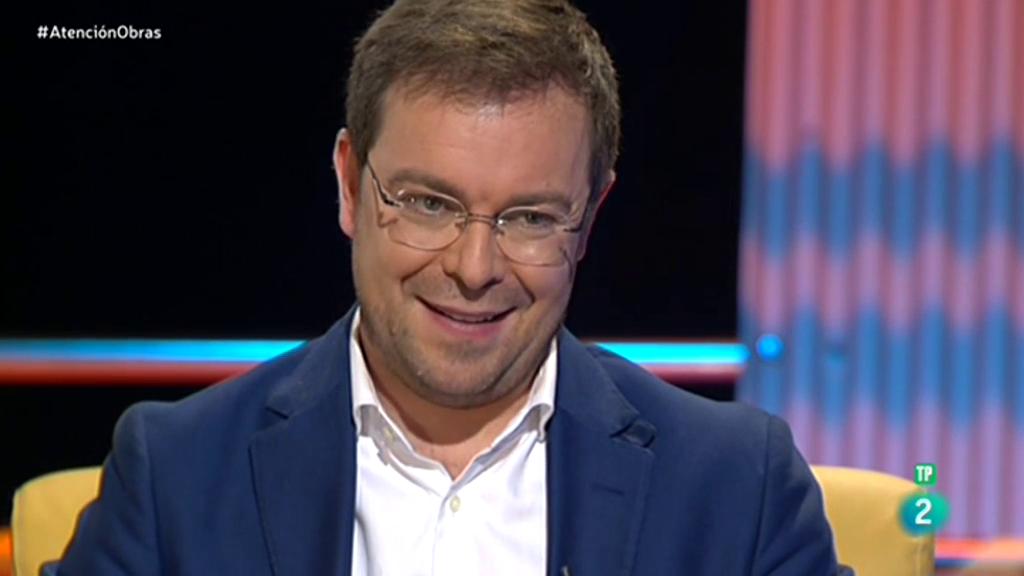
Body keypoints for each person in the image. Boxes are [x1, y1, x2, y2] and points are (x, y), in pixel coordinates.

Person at [51, 0, 847, 574]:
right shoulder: (176, 475)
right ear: (349, 185)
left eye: (531, 217)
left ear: (590, 218)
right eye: (429, 204)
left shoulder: (735, 488)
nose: (473, 267)